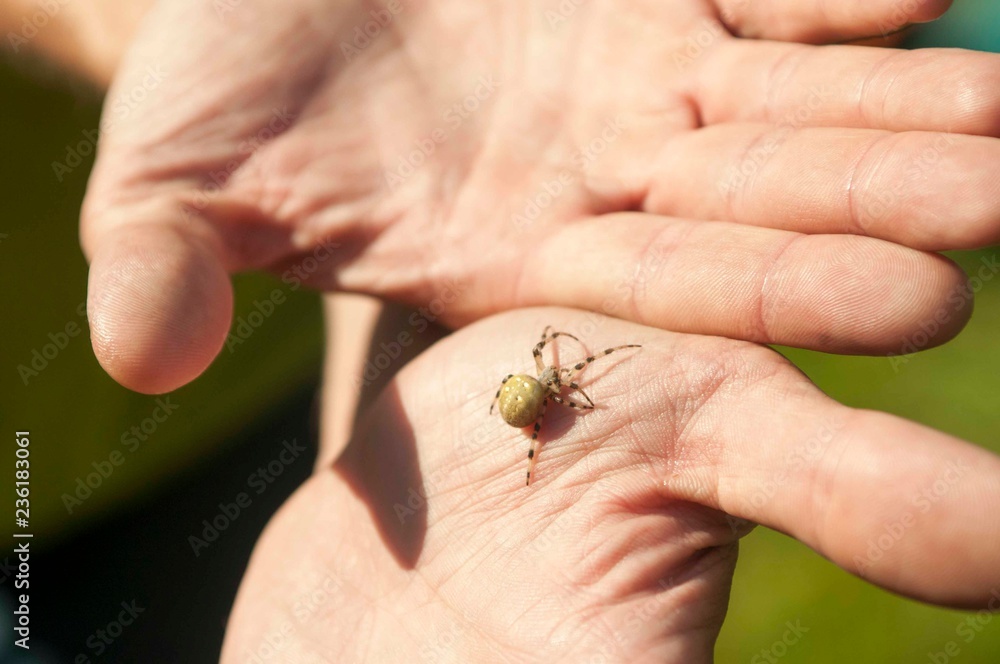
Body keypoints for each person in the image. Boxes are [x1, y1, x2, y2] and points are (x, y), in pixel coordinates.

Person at [7, 0, 999, 659]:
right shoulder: (546, 391)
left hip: (234, 411)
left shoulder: (533, 383)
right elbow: (543, 392)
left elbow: (538, 390)